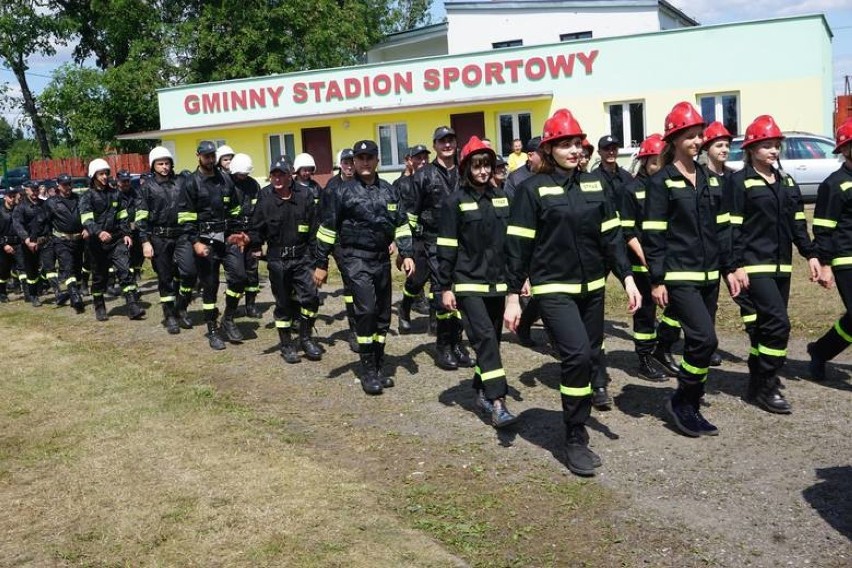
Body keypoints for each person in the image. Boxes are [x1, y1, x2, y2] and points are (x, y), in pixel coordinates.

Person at [503, 108, 641, 476]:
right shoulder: (532, 190)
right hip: (554, 290)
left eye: (576, 143)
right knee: (577, 356)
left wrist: (626, 278)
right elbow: (517, 246)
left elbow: (612, 237)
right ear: (549, 149)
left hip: (593, 289)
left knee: (592, 354)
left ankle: (578, 423)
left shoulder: (596, 185)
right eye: (563, 144)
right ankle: (575, 436)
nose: (573, 150)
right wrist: (513, 295)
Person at [642, 101, 738, 437]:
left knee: (704, 344)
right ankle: (683, 400)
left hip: (710, 275)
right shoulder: (661, 182)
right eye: (691, 137)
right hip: (678, 275)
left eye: (700, 136)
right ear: (674, 140)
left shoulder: (711, 181)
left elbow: (723, 229)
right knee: (703, 338)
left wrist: (730, 268)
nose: (698, 142)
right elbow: (653, 233)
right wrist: (656, 280)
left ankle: (690, 403)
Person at [724, 115, 818, 414]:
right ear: (751, 149)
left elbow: (797, 223)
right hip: (754, 265)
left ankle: (756, 382)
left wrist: (811, 254)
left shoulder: (786, 181)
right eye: (766, 145)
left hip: (782, 266)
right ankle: (767, 383)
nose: (773, 151)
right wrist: (735, 265)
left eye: (776, 145)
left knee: (766, 328)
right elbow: (731, 228)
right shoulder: (739, 182)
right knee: (779, 325)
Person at [314, 139, 415, 395]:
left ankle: (379, 368)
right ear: (354, 162)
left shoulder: (390, 191)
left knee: (382, 316)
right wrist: (321, 263)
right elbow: (327, 228)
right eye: (360, 158)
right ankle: (367, 371)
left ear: (377, 160)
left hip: (381, 259)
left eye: (370, 157)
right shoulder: (341, 192)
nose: (365, 162)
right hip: (355, 259)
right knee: (366, 310)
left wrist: (406, 252)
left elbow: (401, 223)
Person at [438, 136, 517, 427]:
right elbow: (446, 247)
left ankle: (480, 391)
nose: (483, 171)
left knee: (492, 342)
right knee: (484, 339)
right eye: (477, 166)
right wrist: (444, 287)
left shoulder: (503, 199)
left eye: (487, 165)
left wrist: (519, 280)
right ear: (466, 169)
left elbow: (511, 244)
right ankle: (498, 402)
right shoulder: (454, 202)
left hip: (497, 284)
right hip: (468, 284)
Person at [411, 126, 474, 371]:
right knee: (441, 293)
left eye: (450, 140)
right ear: (434, 145)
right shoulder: (423, 175)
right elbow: (411, 214)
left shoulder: (464, 171)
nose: (447, 145)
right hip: (434, 241)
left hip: (464, 241)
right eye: (442, 141)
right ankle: (443, 346)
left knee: (463, 294)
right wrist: (410, 250)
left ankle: (458, 343)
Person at [249, 158, 323, 364]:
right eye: (274, 174)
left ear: (291, 175)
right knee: (283, 304)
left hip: (302, 258)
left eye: (282, 174)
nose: (278, 178)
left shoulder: (305, 195)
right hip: (277, 260)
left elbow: (314, 229)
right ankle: (286, 344)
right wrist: (253, 244)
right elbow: (256, 228)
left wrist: (317, 260)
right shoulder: (264, 198)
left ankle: (306, 338)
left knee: (310, 298)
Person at [177, 140, 248, 350]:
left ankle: (228, 318)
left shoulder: (225, 179)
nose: (210, 159)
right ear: (198, 155)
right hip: (204, 240)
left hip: (226, 238)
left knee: (239, 277)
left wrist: (238, 233)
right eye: (206, 156)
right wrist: (195, 242)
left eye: (212, 156)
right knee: (210, 286)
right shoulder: (191, 183)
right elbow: (185, 218)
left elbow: (235, 209)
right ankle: (213, 329)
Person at [620, 134, 669, 381]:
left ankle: (664, 350)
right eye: (654, 163)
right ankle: (644, 358)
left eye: (662, 162)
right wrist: (646, 258)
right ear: (644, 162)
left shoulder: (666, 186)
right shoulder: (631, 189)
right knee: (645, 313)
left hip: (665, 260)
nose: (658, 168)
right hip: (641, 263)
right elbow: (628, 231)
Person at [807, 117, 852, 381]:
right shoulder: (834, 185)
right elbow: (823, 229)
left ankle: (820, 350)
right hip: (846, 259)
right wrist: (824, 265)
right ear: (845, 150)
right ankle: (821, 353)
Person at [79, 158, 146, 321]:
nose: (104, 177)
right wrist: (99, 232)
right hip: (96, 243)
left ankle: (132, 306)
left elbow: (122, 217)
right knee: (99, 277)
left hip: (116, 240)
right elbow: (86, 220)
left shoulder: (115, 194)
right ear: (93, 175)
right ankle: (99, 305)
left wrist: (126, 234)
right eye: (100, 174)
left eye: (106, 174)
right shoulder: (86, 197)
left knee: (125, 270)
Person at [135, 146, 187, 334]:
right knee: (165, 277)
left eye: (167, 163)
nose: (164, 167)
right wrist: (145, 242)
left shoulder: (181, 182)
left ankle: (181, 307)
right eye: (160, 164)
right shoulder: (146, 187)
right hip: (159, 238)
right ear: (153, 166)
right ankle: (170, 315)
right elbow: (140, 217)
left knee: (187, 272)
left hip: (181, 235)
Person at [395, 144, 432, 334]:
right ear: (410, 160)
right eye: (418, 158)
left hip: (434, 236)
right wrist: (402, 249)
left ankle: (435, 320)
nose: (422, 161)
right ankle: (405, 309)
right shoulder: (402, 184)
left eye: (425, 157)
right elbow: (399, 218)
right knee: (416, 280)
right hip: (414, 238)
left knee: (440, 280)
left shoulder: (435, 178)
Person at [42, 173, 86, 313]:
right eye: (65, 185)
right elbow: (43, 221)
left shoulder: (78, 199)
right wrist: (36, 237)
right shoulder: (51, 202)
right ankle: (76, 298)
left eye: (69, 184)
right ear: (58, 186)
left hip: (78, 240)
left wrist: (87, 228)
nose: (68, 187)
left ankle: (71, 295)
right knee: (68, 268)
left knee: (77, 270)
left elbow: (86, 215)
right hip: (61, 240)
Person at [229, 153, 263, 319]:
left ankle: (251, 305)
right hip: (233, 236)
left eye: (245, 173)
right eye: (240, 174)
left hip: (250, 234)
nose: (243, 176)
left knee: (252, 272)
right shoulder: (226, 184)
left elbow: (258, 213)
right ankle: (233, 307)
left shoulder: (254, 185)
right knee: (236, 274)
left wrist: (254, 239)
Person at [12, 181, 51, 306]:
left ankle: (53, 290)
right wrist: (26, 239)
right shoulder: (21, 207)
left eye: (36, 190)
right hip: (30, 243)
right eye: (32, 190)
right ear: (26, 191)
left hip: (45, 241)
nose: (35, 192)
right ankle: (33, 295)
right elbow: (17, 224)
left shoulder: (44, 204)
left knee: (49, 266)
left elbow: (49, 221)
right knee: (32, 270)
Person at [116, 169, 144, 281]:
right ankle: (124, 277)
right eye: (123, 181)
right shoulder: (114, 195)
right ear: (117, 181)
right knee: (124, 254)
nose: (126, 183)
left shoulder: (136, 193)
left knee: (138, 252)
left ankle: (136, 272)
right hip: (121, 230)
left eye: (127, 181)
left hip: (136, 228)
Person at [593, 134, 632, 210]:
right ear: (599, 152)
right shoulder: (593, 178)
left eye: (614, 149)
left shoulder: (627, 176)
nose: (611, 152)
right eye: (606, 149)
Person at [504, 137, 542, 202]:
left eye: (519, 146)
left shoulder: (554, 174)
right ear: (530, 156)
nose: (548, 158)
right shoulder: (514, 178)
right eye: (544, 155)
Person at [0, 187, 21, 302]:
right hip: (4, 244)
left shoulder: (17, 210)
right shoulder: (0, 211)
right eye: (10, 197)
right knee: (4, 270)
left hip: (18, 242)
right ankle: (2, 292)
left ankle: (28, 292)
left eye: (14, 196)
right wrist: (4, 245)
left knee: (22, 268)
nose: (13, 199)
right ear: (5, 197)